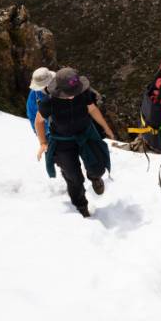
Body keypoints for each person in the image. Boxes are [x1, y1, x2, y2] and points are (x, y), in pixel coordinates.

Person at [35, 67, 116, 218]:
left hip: (85, 134)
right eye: (67, 94)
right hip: (62, 142)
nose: (72, 97)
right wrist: (43, 143)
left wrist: (106, 128)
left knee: (98, 166)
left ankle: (95, 177)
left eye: (74, 93)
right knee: (74, 178)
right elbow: (39, 121)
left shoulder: (83, 93)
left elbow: (92, 109)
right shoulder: (49, 102)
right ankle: (81, 206)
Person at [26, 67, 54, 141]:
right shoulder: (34, 95)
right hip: (49, 134)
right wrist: (42, 138)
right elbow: (32, 115)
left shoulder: (62, 84)